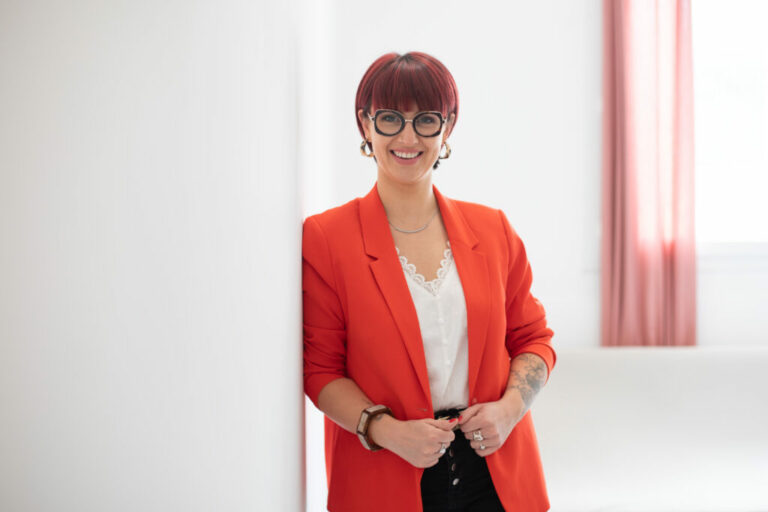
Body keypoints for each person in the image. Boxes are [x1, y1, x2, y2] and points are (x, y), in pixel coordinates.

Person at [302, 51, 556, 512]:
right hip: (386, 470)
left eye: (426, 120)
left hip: (495, 472)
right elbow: (321, 370)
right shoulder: (326, 238)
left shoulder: (493, 230)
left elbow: (533, 339)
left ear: (448, 127)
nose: (407, 137)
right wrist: (386, 431)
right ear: (364, 124)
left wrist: (509, 410)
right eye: (389, 118)